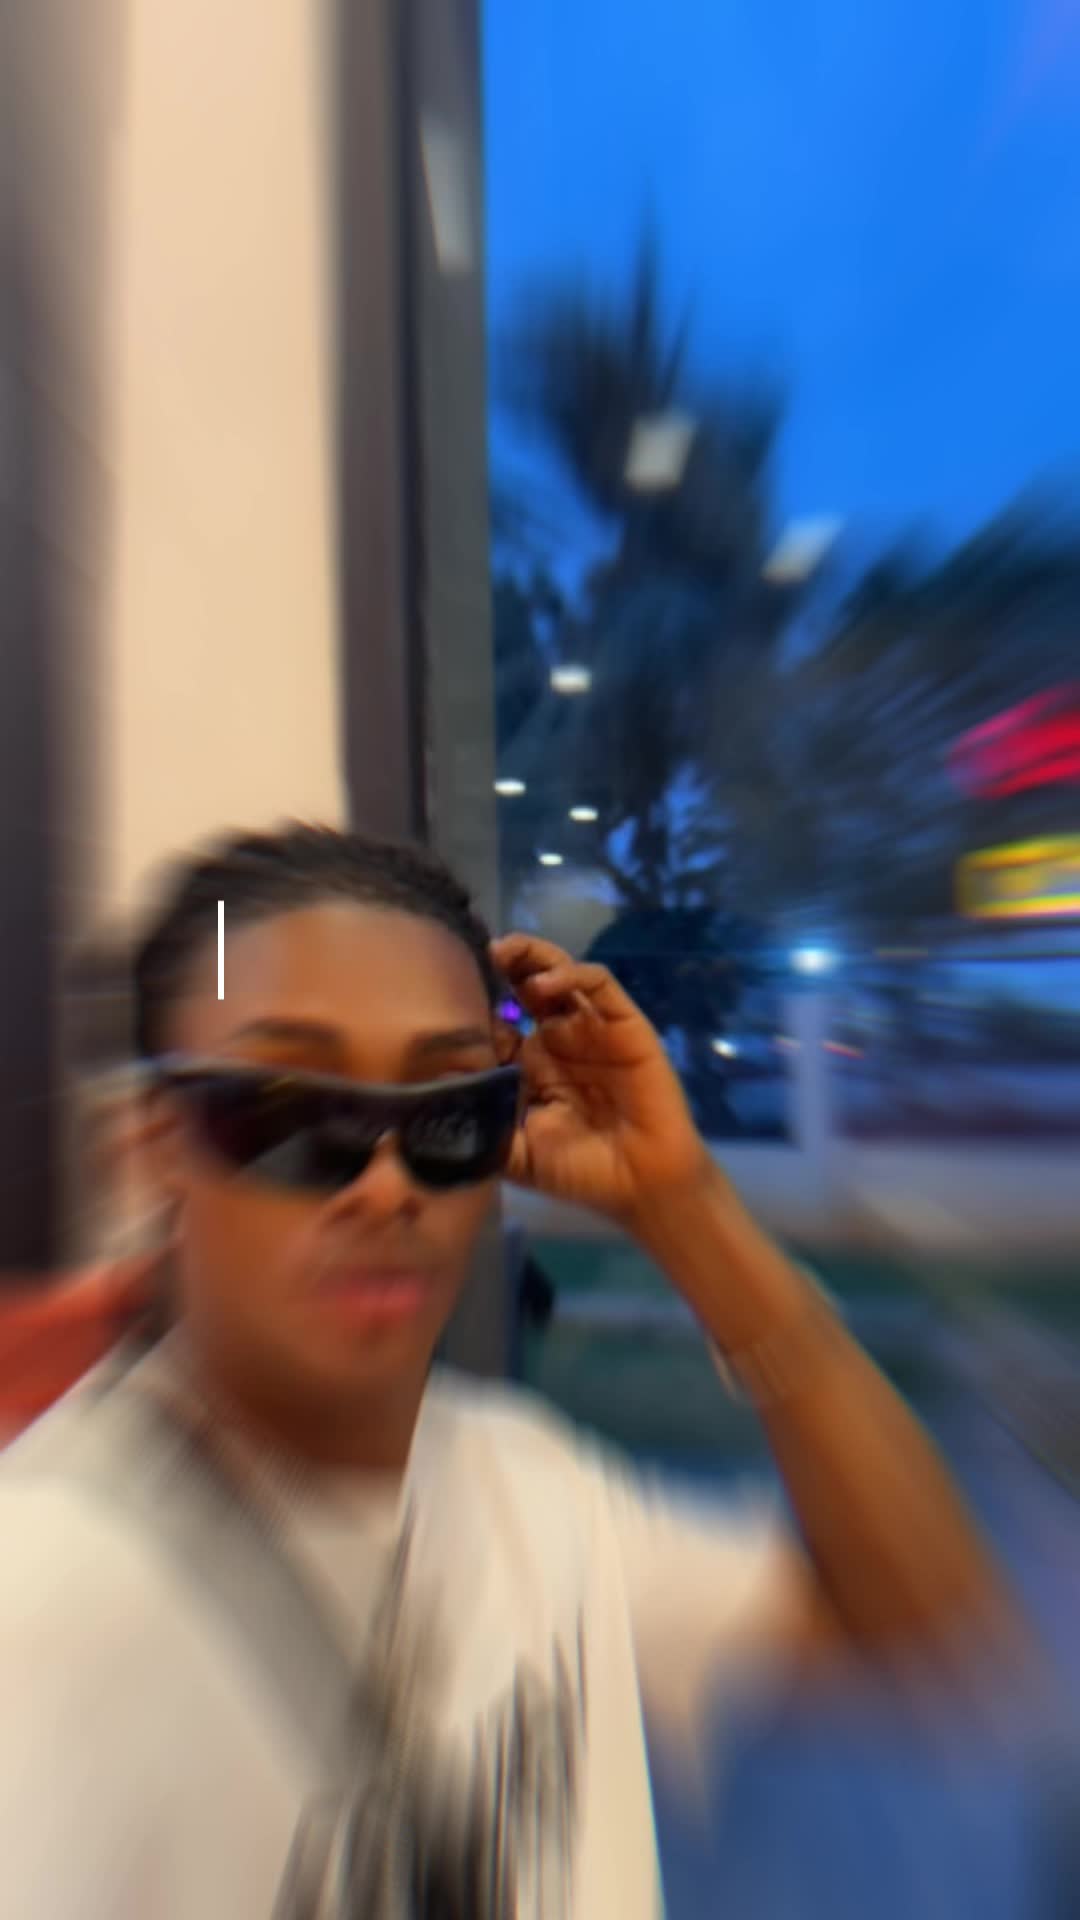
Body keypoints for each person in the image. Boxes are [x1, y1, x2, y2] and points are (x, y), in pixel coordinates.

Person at [0, 824, 1015, 1920]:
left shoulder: (525, 1482)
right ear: (157, 1143)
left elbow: (920, 1618)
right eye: (288, 1113)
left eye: (449, 1113)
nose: (388, 1187)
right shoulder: (44, 1602)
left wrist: (681, 1207)